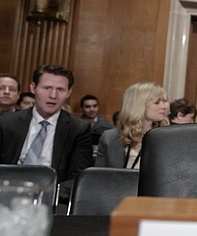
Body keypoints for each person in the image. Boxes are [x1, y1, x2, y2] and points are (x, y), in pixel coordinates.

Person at [0, 65, 92, 194]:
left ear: (69, 93)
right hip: (6, 193)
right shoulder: (6, 123)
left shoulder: (78, 128)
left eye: (60, 89)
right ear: (33, 88)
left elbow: (77, 178)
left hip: (52, 197)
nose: (53, 95)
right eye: (47, 88)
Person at [95, 82, 170, 169]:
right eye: (157, 102)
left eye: (165, 101)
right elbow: (99, 177)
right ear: (138, 105)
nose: (164, 106)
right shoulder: (109, 138)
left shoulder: (169, 138)